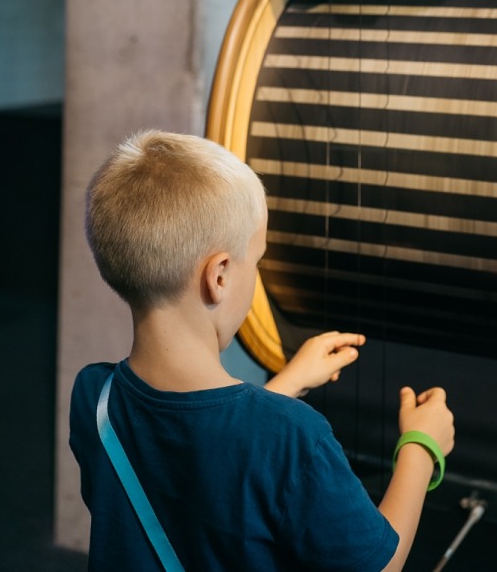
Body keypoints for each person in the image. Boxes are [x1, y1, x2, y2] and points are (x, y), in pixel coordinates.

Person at [69, 131, 455, 572]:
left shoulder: (93, 397)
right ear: (219, 276)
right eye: (256, 259)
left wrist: (286, 384)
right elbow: (379, 567)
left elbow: (203, 449)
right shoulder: (294, 437)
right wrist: (421, 447)